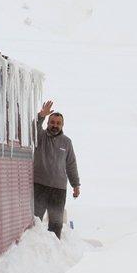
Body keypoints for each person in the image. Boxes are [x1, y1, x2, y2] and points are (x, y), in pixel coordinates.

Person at [33, 100, 80, 238]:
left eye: (58, 123)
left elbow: (71, 164)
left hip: (58, 189)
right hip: (39, 186)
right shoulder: (40, 136)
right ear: (48, 123)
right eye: (52, 122)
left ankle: (55, 249)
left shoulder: (67, 142)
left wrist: (75, 185)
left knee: (56, 224)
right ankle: (35, 248)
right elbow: (33, 128)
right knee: (34, 221)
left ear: (62, 125)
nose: (55, 125)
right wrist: (41, 115)